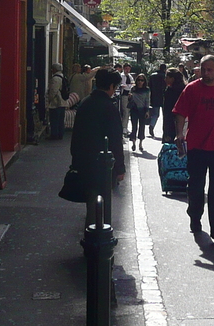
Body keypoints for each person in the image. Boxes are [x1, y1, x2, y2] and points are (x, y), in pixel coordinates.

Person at [173, 54, 214, 245]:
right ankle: (195, 215)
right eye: (203, 69)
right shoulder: (191, 89)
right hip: (196, 146)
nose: (206, 73)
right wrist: (179, 134)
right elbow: (180, 113)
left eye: (210, 69)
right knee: (196, 187)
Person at [70, 67, 126, 227]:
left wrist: (75, 158)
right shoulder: (109, 108)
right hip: (102, 164)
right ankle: (94, 238)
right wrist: (120, 168)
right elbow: (115, 140)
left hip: (84, 159)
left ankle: (93, 232)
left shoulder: (85, 103)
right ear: (111, 86)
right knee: (99, 202)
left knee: (92, 201)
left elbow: (76, 134)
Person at [128, 73, 152, 152]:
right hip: (134, 109)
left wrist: (147, 111)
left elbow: (147, 100)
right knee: (134, 126)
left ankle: (140, 143)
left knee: (142, 127)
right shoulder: (133, 88)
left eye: (142, 80)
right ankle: (134, 143)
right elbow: (130, 100)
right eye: (138, 80)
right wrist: (130, 97)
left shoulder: (147, 90)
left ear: (144, 81)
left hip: (143, 110)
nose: (140, 82)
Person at [161, 67, 185, 143]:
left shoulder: (170, 91)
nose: (165, 79)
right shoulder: (185, 89)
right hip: (184, 125)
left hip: (171, 124)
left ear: (172, 78)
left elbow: (167, 112)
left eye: (167, 77)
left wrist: (166, 131)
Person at [46, 62, 68, 140]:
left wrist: (49, 99)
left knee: (54, 120)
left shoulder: (55, 78)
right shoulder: (63, 77)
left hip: (56, 102)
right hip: (63, 102)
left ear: (54, 69)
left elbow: (53, 91)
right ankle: (60, 134)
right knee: (60, 120)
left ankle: (54, 134)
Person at [148, 64, 167, 137]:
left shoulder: (153, 76)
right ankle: (165, 131)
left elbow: (149, 86)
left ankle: (151, 125)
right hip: (164, 97)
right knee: (165, 115)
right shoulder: (165, 76)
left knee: (155, 114)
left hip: (154, 97)